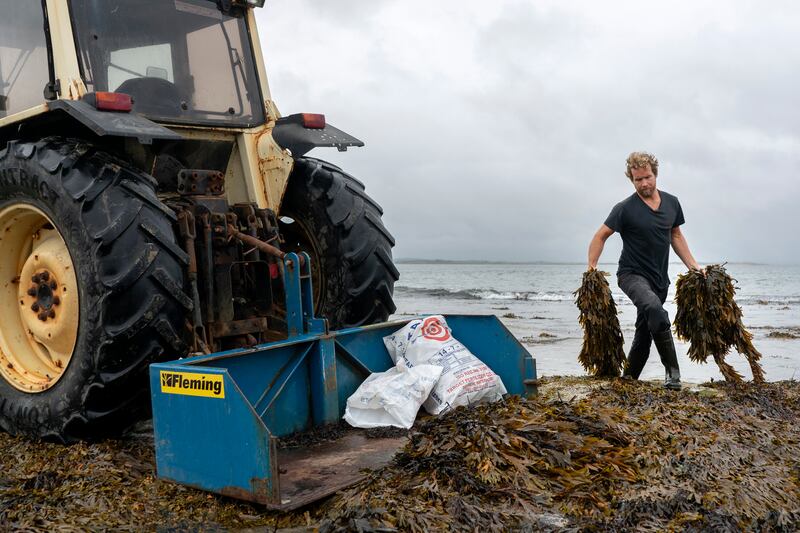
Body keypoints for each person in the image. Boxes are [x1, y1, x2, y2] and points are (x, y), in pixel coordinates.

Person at [587, 152, 701, 390]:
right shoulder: (624, 209)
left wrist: (693, 266)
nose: (644, 183)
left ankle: (629, 379)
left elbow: (676, 235)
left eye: (647, 177)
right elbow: (600, 236)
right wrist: (592, 268)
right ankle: (673, 375)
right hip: (631, 275)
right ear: (632, 180)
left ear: (655, 174)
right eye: (638, 180)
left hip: (660, 280)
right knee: (653, 308)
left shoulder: (672, 203)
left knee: (645, 331)